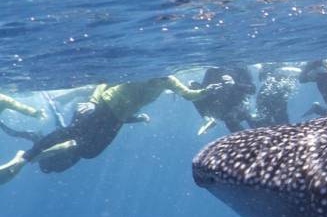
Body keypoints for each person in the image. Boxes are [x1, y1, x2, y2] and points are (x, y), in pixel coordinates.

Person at [0, 75, 223, 184]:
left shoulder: (168, 80)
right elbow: (104, 83)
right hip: (102, 105)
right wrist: (93, 101)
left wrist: (207, 91)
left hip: (117, 116)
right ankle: (24, 158)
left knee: (89, 150)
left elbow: (190, 95)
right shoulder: (139, 68)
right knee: (73, 136)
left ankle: (30, 157)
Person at [189, 66, 255, 134]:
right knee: (192, 85)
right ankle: (207, 118)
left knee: (229, 118)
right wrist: (208, 89)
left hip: (239, 104)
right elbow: (203, 90)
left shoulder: (242, 68)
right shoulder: (211, 70)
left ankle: (246, 138)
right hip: (218, 105)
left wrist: (235, 85)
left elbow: (252, 90)